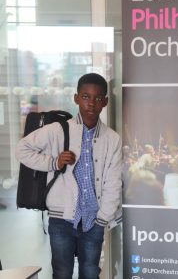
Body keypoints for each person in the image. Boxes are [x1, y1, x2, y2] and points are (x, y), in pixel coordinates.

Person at [15, 73, 122, 279]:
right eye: (85, 96)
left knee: (90, 273)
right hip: (61, 219)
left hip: (94, 220)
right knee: (62, 273)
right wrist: (53, 162)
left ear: (105, 102)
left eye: (98, 98)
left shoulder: (112, 139)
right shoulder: (57, 130)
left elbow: (113, 182)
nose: (91, 103)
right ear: (76, 98)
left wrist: (102, 219)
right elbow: (22, 149)